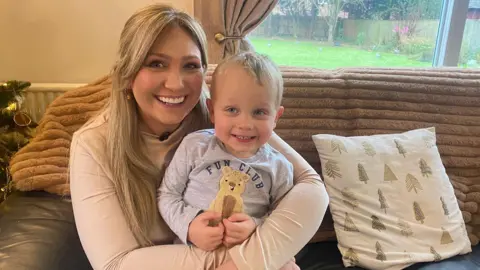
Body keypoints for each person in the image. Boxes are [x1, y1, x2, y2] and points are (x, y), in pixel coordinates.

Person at [69, 3, 329, 270]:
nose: (175, 83)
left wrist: (261, 242)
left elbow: (311, 188)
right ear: (127, 73)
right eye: (156, 63)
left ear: (204, 72)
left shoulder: (222, 118)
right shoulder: (92, 145)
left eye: (190, 65)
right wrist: (251, 260)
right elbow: (114, 264)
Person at [158, 52, 294, 253]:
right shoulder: (194, 146)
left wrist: (255, 227)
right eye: (231, 110)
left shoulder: (279, 167)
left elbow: (283, 219)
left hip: (247, 260)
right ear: (212, 111)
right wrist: (189, 227)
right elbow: (167, 195)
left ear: (276, 117)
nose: (245, 124)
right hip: (191, 257)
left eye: (259, 112)